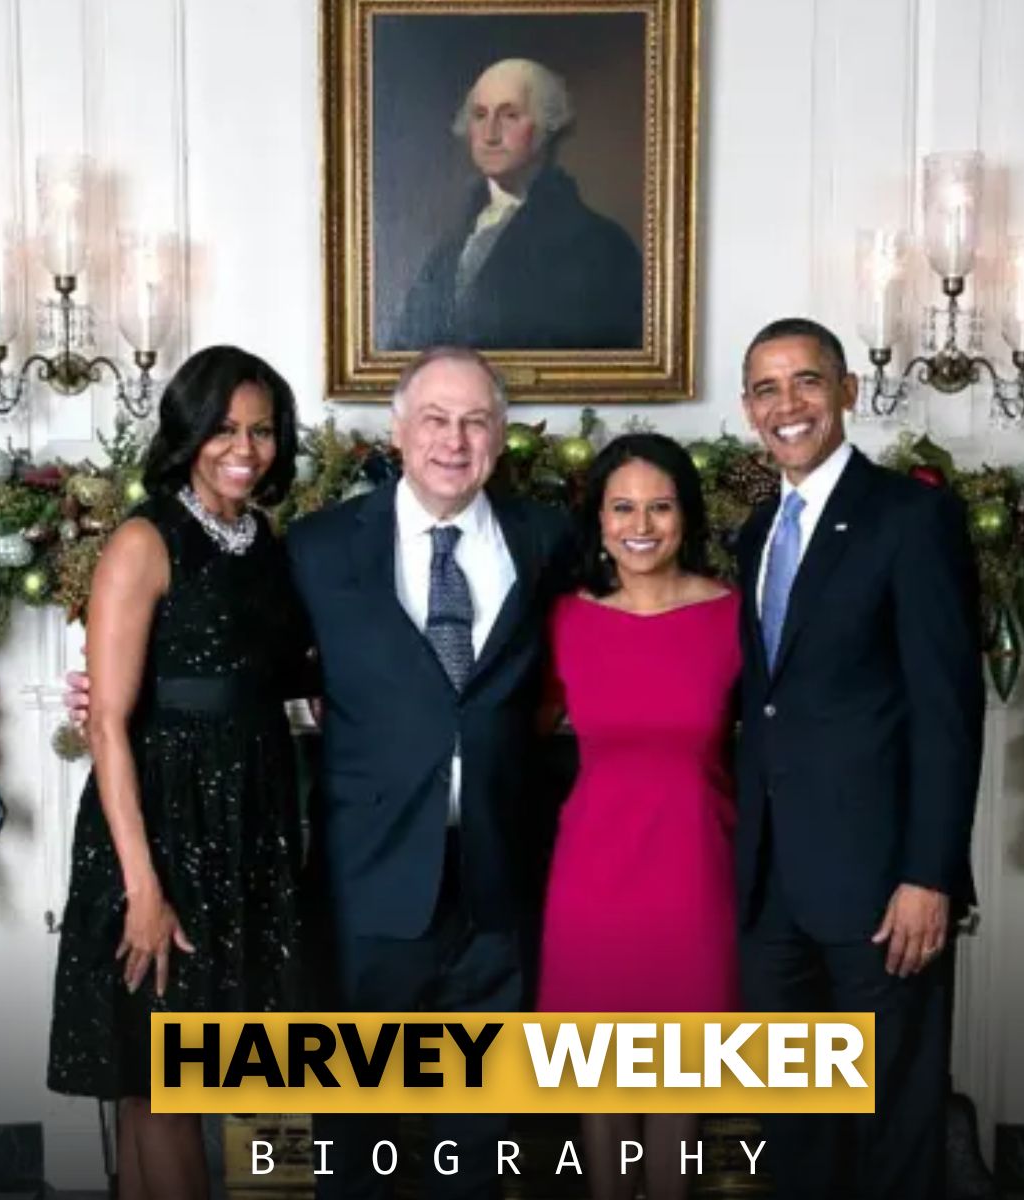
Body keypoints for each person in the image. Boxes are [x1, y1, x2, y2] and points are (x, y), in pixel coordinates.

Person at [284, 345, 574, 1199]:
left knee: (478, 1139)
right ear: (398, 430)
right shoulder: (320, 547)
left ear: (502, 437)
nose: (455, 440)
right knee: (356, 1136)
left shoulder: (546, 539)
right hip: (366, 882)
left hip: (496, 882)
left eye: (476, 420)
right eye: (437, 419)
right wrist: (111, 690)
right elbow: (250, 659)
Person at [48, 345, 313, 1200]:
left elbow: (276, 673)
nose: (246, 447)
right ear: (188, 432)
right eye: (225, 428)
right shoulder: (143, 539)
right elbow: (111, 726)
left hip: (247, 823)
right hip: (160, 827)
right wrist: (142, 889)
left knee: (174, 1076)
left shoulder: (264, 541)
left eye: (263, 430)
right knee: (163, 1076)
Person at [734, 318, 985, 1200]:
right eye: (766, 389)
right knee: (796, 1127)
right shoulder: (757, 529)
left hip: (883, 892)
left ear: (845, 392)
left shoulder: (913, 518)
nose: (786, 405)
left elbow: (946, 712)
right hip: (770, 895)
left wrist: (930, 873)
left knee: (893, 1123)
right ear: (747, 409)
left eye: (806, 382)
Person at [536, 433, 740, 1200]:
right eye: (622, 507)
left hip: (694, 876)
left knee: (676, 1109)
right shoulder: (565, 620)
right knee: (603, 1104)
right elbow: (511, 730)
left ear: (686, 515)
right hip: (592, 880)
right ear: (599, 521)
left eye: (659, 505)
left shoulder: (732, 617)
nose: (641, 524)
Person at [394, 57, 643, 351]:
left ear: (546, 127)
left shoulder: (601, 246)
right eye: (479, 115)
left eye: (510, 115)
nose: (490, 135)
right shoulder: (450, 246)